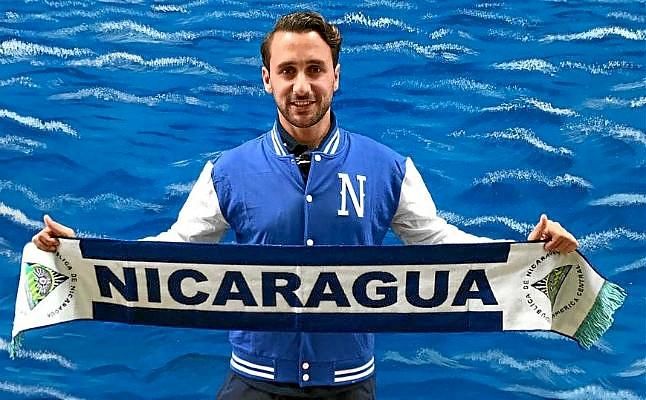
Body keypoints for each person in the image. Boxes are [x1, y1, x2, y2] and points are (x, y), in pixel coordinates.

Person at [32, 11, 579, 400]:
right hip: (252, 383)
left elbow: (440, 245)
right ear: (266, 78)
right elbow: (174, 252)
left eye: (315, 69)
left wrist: (528, 254)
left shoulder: (390, 168)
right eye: (288, 71)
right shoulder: (226, 172)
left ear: (335, 76)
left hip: (350, 386)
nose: (301, 86)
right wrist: (84, 256)